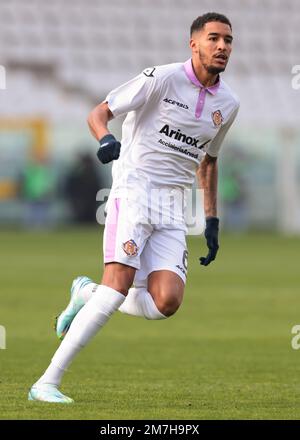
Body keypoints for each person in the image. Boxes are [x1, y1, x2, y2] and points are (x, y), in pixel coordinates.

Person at [28, 12, 239, 403]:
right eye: (213, 38)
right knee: (117, 287)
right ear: (194, 44)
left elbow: (208, 162)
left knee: (167, 302)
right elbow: (99, 113)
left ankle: (86, 293)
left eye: (228, 40)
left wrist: (211, 218)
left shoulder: (228, 104)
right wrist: (104, 139)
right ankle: (47, 382)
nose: (222, 46)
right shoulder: (161, 78)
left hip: (175, 206)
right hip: (135, 192)